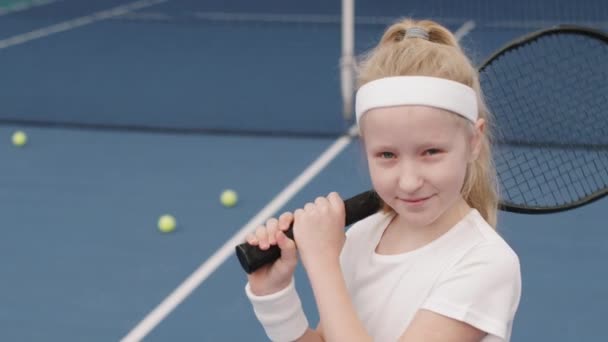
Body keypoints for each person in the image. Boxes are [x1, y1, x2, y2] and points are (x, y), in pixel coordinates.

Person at [244, 18, 521, 342]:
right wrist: (274, 298)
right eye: (387, 155)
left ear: (474, 141)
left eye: (431, 152)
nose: (408, 181)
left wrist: (323, 262)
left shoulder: (485, 263)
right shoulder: (363, 236)